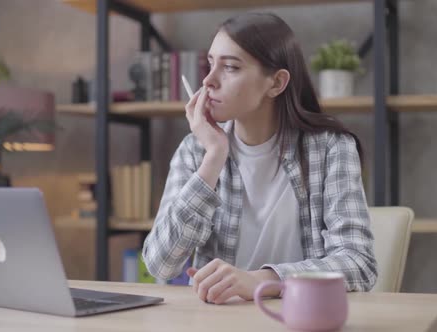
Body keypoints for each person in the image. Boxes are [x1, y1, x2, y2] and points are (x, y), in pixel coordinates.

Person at [142, 12, 377, 304]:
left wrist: (262, 280)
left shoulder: (331, 149)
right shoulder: (195, 150)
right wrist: (214, 158)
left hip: (300, 318)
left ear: (276, 83)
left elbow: (359, 263)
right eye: (211, 64)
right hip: (218, 321)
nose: (208, 80)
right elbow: (161, 264)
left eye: (229, 67)